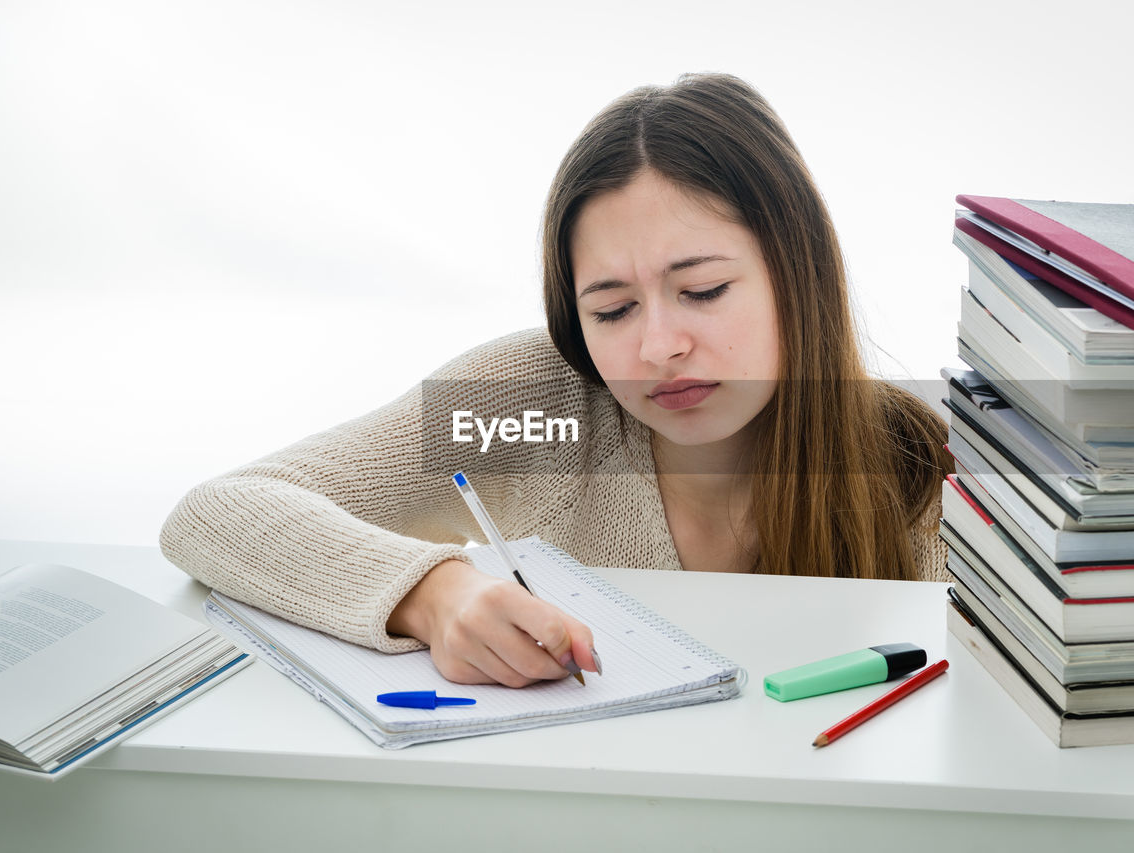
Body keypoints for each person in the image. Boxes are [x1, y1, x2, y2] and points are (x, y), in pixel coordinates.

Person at [160, 72, 952, 689]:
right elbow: (219, 512)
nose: (659, 346)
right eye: (611, 309)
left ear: (798, 272)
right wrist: (437, 594)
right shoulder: (542, 406)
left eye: (704, 291)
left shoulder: (928, 472)